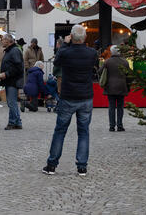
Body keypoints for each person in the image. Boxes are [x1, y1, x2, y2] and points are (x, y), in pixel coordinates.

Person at [41, 24, 98, 177]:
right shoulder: (91, 53)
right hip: (85, 96)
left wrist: (66, 43)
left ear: (71, 37)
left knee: (60, 131)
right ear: (85, 37)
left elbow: (57, 62)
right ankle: (82, 167)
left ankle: (52, 165)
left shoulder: (65, 52)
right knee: (84, 132)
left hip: (68, 96)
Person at [0, 33, 24, 129]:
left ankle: (12, 122)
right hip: (11, 80)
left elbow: (18, 67)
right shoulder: (11, 50)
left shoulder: (14, 50)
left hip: (13, 80)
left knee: (11, 103)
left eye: (3, 39)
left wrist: (5, 74)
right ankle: (18, 122)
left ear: (8, 41)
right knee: (12, 103)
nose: (1, 41)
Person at [102, 45, 132, 132]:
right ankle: (119, 126)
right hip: (121, 87)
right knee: (120, 107)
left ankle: (111, 126)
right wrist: (128, 84)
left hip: (110, 87)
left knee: (111, 107)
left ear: (111, 52)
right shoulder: (125, 62)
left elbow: (100, 71)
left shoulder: (107, 61)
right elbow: (129, 75)